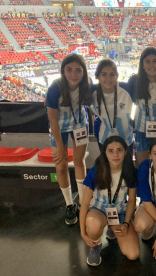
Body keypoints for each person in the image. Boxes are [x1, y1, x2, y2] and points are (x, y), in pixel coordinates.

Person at [46, 54, 92, 225]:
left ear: (83, 72)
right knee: (61, 164)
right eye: (69, 70)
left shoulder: (87, 85)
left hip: (79, 124)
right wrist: (59, 145)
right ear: (63, 71)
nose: (74, 74)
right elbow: (52, 120)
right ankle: (69, 204)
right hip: (59, 126)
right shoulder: (55, 88)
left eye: (78, 70)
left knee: (79, 161)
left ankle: (82, 203)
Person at [79, 136, 139, 266]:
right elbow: (84, 204)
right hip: (98, 211)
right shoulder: (96, 171)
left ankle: (112, 228)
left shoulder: (130, 172)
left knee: (133, 255)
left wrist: (126, 223)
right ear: (105, 153)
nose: (115, 154)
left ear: (126, 152)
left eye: (119, 150)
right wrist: (83, 232)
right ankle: (95, 245)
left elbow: (132, 201)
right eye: (110, 150)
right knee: (93, 223)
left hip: (120, 213)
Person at [128, 47, 156, 167]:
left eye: (155, 61)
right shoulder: (135, 81)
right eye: (147, 61)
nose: (151, 65)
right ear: (142, 64)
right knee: (142, 167)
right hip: (142, 130)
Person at [91, 59, 134, 154]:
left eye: (112, 74)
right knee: (107, 168)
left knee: (127, 168)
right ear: (98, 76)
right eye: (104, 74)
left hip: (126, 140)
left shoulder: (127, 89)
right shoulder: (91, 92)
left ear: (117, 76)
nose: (108, 79)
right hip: (104, 140)